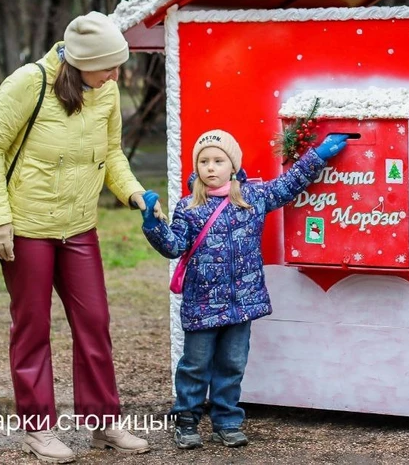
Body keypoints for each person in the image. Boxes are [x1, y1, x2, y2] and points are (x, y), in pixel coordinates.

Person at [0, 11, 163, 463]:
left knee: (95, 323)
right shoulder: (28, 83)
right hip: (26, 229)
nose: (117, 74)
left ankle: (102, 424)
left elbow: (113, 154)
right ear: (79, 62)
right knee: (32, 328)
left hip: (79, 227)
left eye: (119, 65)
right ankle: (38, 430)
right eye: (108, 66)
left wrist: (135, 193)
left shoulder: (108, 91)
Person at [139, 129, 348, 449]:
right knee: (195, 365)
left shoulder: (253, 197)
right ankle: (186, 419)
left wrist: (318, 156)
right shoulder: (189, 207)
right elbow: (174, 246)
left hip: (242, 303)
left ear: (233, 165)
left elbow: (288, 184)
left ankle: (226, 420)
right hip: (203, 304)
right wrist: (154, 226)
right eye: (204, 161)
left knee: (232, 364)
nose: (211, 167)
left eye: (218, 161)